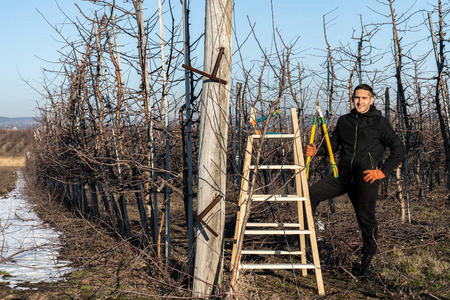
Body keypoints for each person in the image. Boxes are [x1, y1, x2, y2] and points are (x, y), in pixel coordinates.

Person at [286, 84, 406, 277]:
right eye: (357, 97)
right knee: (309, 195)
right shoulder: (344, 121)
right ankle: (303, 239)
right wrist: (318, 151)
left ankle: (366, 264)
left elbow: (399, 148)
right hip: (341, 177)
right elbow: (334, 144)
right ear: (353, 99)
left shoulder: (379, 123)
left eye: (364, 98)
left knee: (367, 222)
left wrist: (382, 172)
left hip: (365, 179)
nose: (360, 101)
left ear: (371, 100)